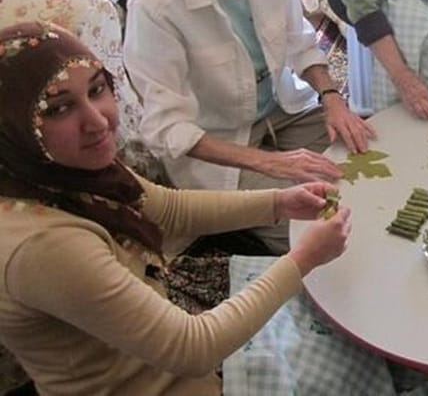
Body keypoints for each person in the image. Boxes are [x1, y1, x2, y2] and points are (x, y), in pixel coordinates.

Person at [0, 21, 361, 395]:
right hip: (151, 383)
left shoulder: (63, 167)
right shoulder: (43, 246)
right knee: (346, 359)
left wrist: (279, 202)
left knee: (338, 317)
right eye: (58, 109)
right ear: (12, 126)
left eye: (97, 89)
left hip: (159, 325)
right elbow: (193, 349)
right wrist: (303, 259)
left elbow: (168, 208)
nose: (97, 121)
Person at [124, 0, 374, 253]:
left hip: (283, 112)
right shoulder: (154, 2)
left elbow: (300, 41)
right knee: (320, 223)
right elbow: (167, 130)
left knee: (368, 153)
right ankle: (233, 222)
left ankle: (254, 207)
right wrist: (270, 163)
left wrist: (332, 99)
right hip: (217, 148)